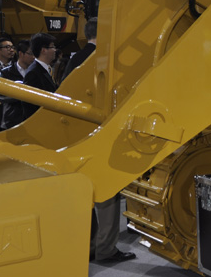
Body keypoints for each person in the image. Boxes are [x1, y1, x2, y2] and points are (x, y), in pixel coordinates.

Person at [65, 18, 136, 264]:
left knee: (86, 195)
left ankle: (92, 245)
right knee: (107, 193)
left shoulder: (75, 58)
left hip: (77, 137)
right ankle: (106, 248)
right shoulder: (104, 60)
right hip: (101, 136)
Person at [0, 40, 34, 130]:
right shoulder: (6, 72)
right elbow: (0, 95)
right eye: (30, 54)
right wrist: (20, 95)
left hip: (33, 119)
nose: (33, 57)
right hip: (12, 120)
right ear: (21, 54)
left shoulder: (36, 72)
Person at [22, 34, 58, 121]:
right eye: (52, 47)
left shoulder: (47, 69)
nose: (55, 50)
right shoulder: (33, 73)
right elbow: (30, 105)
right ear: (43, 50)